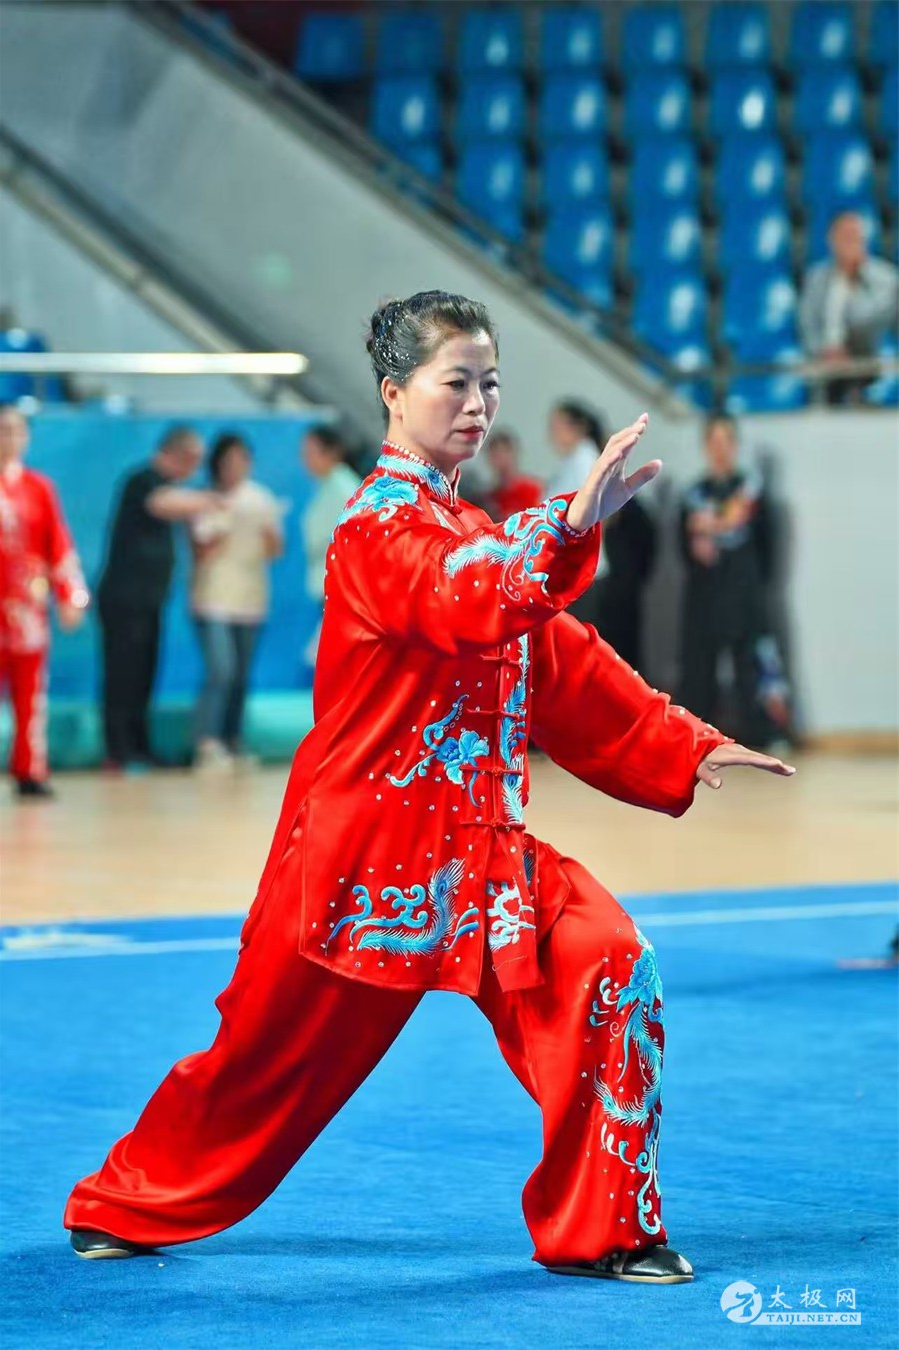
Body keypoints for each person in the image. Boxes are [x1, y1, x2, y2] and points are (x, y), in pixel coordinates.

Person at [65, 290, 794, 1284]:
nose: (478, 404)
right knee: (259, 1068)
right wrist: (565, 529)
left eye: (490, 384)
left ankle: (606, 1229)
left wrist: (683, 742)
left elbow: (556, 659)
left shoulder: (467, 525)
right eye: (457, 383)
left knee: (610, 963)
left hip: (483, 854)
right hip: (364, 865)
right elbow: (468, 592)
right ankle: (124, 1202)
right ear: (394, 392)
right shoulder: (375, 531)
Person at [96, 426, 216, 770]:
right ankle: (118, 750)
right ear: (177, 454)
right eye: (193, 460)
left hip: (150, 601)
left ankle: (139, 746)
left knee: (144, 674)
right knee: (123, 674)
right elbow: (163, 503)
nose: (195, 469)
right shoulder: (142, 480)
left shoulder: (170, 488)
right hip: (125, 601)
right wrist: (216, 499)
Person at [678, 413, 786, 748]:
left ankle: (763, 736)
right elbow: (681, 547)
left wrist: (753, 582)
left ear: (735, 445)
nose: (720, 448)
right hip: (705, 596)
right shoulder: (693, 495)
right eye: (714, 441)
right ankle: (696, 739)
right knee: (698, 671)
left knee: (753, 667)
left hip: (745, 595)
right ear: (705, 446)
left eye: (726, 441)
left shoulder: (752, 493)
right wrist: (696, 551)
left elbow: (768, 547)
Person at [0, 404, 89, 798]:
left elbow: (59, 546)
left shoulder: (39, 488)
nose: (8, 438)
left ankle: (30, 769)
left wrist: (71, 596)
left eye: (16, 430)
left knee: (30, 695)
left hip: (26, 613)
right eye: (2, 430)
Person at [190, 433, 284, 770]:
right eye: (228, 461)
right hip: (213, 598)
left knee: (241, 674)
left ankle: (232, 740)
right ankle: (206, 741)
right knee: (222, 669)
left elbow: (275, 549)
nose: (235, 467)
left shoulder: (260, 499)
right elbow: (200, 551)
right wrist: (221, 528)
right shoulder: (206, 500)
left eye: (241, 460)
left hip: (250, 600)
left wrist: (267, 534)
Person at [547, 401, 657, 668]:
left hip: (583, 572)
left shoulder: (585, 458)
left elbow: (598, 511)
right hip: (570, 570)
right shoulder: (573, 461)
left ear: (576, 427)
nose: (551, 433)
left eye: (557, 425)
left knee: (581, 656)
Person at [799, 211, 899, 404]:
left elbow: (868, 320)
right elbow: (806, 323)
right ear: (831, 240)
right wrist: (822, 350)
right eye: (844, 237)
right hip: (825, 362)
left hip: (869, 361)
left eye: (855, 236)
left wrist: (853, 277)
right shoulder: (816, 278)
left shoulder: (886, 279)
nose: (851, 242)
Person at [299, 424, 360, 666]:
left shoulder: (344, 487)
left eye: (311, 452)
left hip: (340, 586)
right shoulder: (329, 485)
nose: (306, 459)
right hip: (329, 583)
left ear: (332, 452)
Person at [482, 428, 543, 522]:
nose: (501, 458)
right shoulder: (489, 499)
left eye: (505, 452)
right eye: (496, 454)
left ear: (514, 454)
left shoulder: (533, 489)